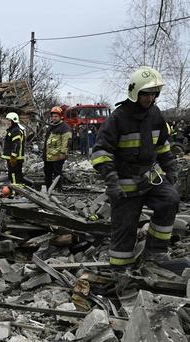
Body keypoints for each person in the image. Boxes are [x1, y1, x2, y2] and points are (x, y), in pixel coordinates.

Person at [90, 66, 180, 270]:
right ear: (135, 92)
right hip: (124, 185)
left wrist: (171, 166)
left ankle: (155, 253)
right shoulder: (117, 118)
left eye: (154, 93)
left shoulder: (155, 114)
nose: (151, 98)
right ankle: (121, 270)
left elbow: (163, 145)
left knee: (170, 200)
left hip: (150, 178)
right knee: (124, 228)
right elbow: (100, 152)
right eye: (146, 94)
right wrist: (112, 183)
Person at [43, 106, 72, 190]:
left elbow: (66, 141)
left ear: (60, 117)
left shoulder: (64, 127)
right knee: (47, 174)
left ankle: (58, 190)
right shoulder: (51, 127)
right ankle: (48, 190)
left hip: (57, 156)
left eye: (56, 116)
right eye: (52, 116)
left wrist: (63, 153)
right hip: (48, 157)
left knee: (57, 174)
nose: (54, 118)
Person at [2, 112, 26, 185]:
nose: (7, 122)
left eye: (9, 120)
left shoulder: (15, 131)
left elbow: (16, 144)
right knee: (14, 174)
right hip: (12, 157)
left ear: (13, 121)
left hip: (15, 158)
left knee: (14, 175)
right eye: (7, 120)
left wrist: (13, 155)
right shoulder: (12, 130)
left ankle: (15, 190)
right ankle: (16, 188)